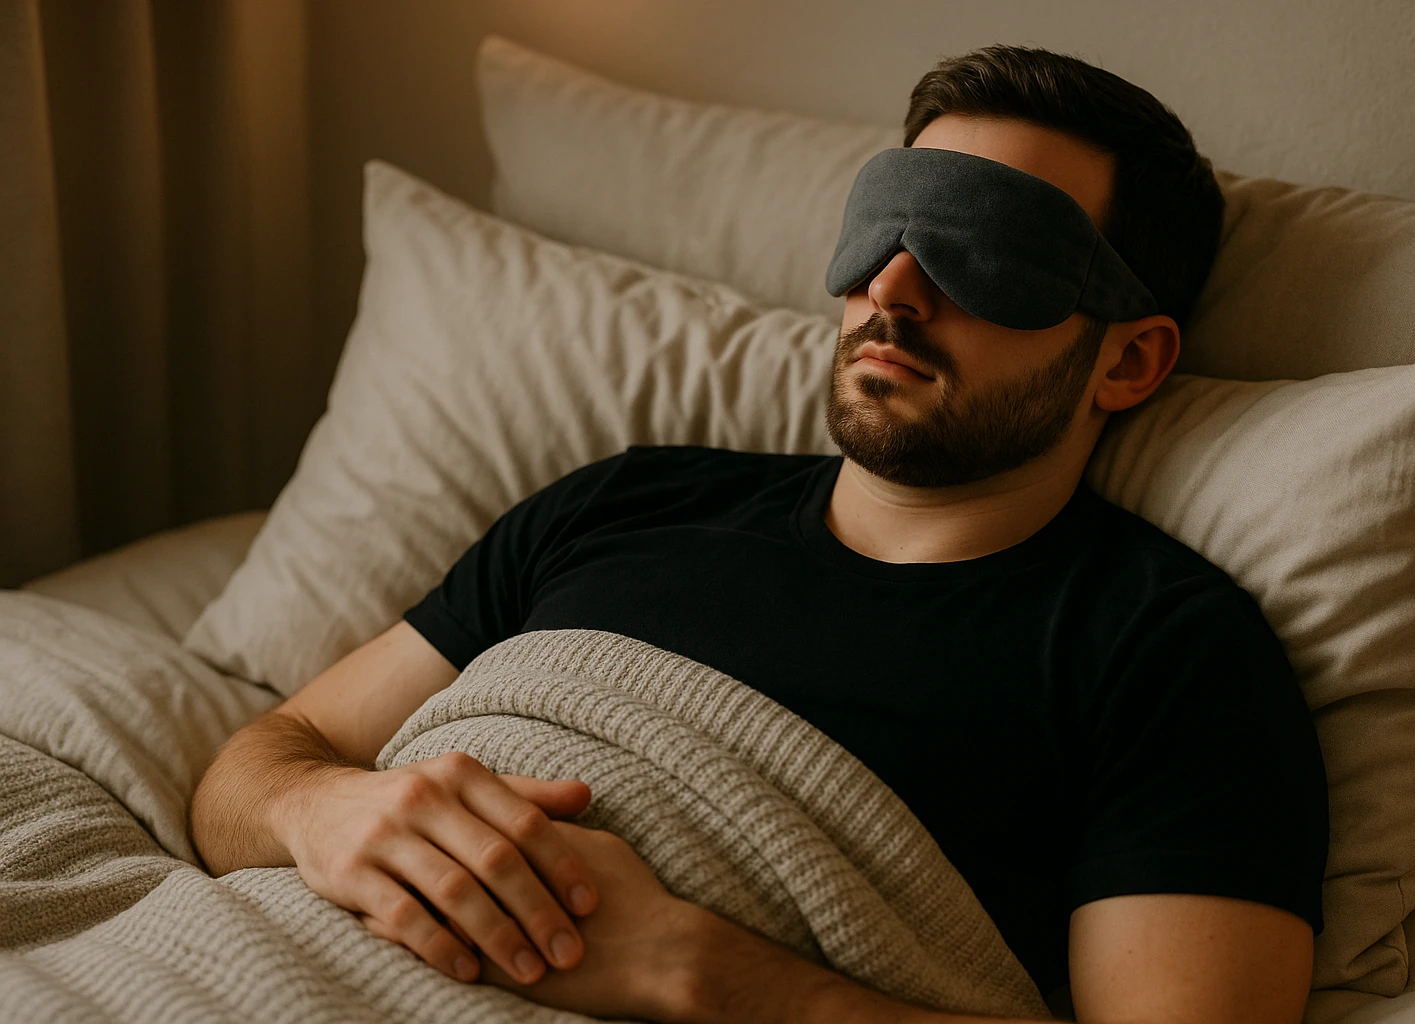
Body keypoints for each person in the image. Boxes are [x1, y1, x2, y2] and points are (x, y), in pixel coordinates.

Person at [190, 44, 1328, 1024]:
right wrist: (325, 808)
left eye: (988, 251)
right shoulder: (626, 499)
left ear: (1128, 359)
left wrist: (693, 969)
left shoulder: (1168, 654)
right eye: (887, 223)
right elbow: (265, 757)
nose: (893, 286)